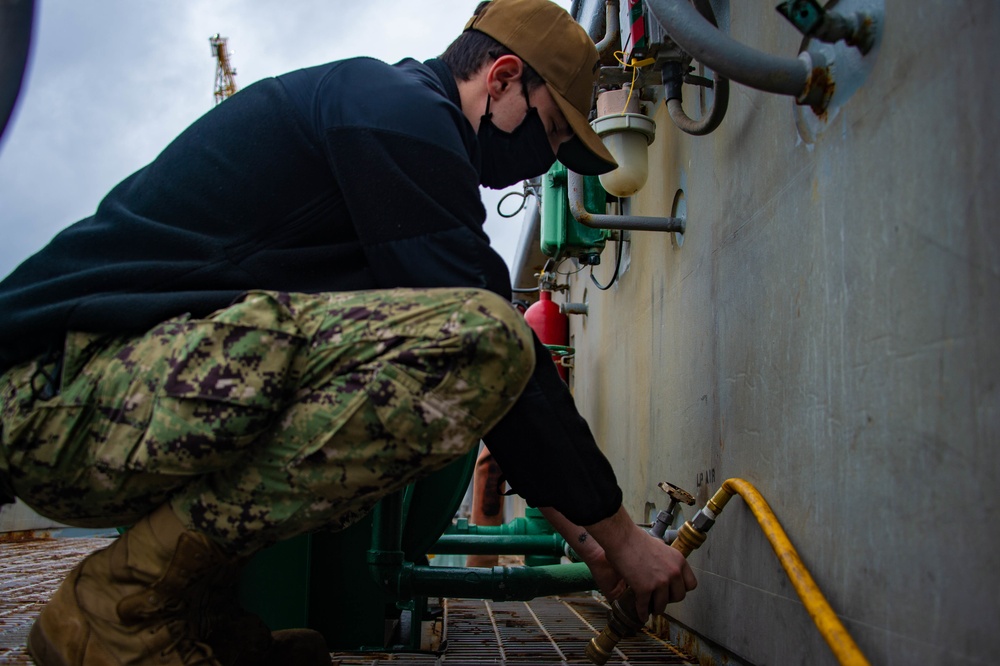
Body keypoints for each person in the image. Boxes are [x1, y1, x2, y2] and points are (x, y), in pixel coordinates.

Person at [0, 0, 697, 663]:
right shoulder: (396, 114)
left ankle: (192, 615)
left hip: (100, 396)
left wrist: (587, 538)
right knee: (484, 338)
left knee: (423, 354)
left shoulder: (386, 125)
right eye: (548, 131)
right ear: (504, 77)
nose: (545, 161)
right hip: (56, 390)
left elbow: (492, 394)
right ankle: (122, 605)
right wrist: (620, 534)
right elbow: (494, 352)